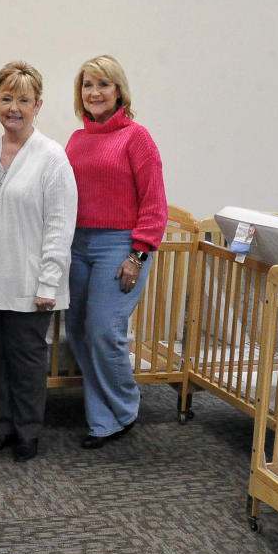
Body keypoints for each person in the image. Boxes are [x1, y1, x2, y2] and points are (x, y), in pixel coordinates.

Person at [0, 62, 78, 462]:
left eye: (23, 100)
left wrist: (49, 283)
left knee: (27, 361)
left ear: (38, 105)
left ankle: (28, 432)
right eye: (6, 98)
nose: (14, 107)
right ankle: (2, 426)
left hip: (30, 283)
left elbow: (60, 227)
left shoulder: (52, 158)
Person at [64, 55, 167, 449]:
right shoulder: (76, 140)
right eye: (88, 85)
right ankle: (101, 417)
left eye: (103, 85)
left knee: (104, 331)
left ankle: (122, 410)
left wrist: (138, 255)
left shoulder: (137, 137)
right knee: (77, 330)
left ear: (119, 90)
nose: (95, 93)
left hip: (120, 245)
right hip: (78, 244)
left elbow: (155, 203)